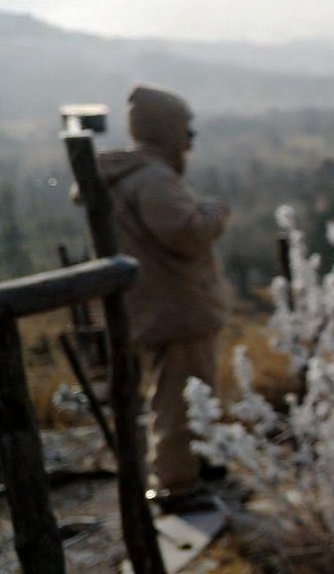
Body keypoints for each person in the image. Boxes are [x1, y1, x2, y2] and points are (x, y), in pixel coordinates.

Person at [98, 84, 232, 512]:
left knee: (189, 395)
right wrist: (214, 212)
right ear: (167, 130)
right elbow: (185, 234)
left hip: (162, 305)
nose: (190, 139)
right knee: (179, 401)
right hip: (175, 307)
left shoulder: (133, 176)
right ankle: (178, 486)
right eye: (185, 129)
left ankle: (200, 468)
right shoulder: (153, 178)